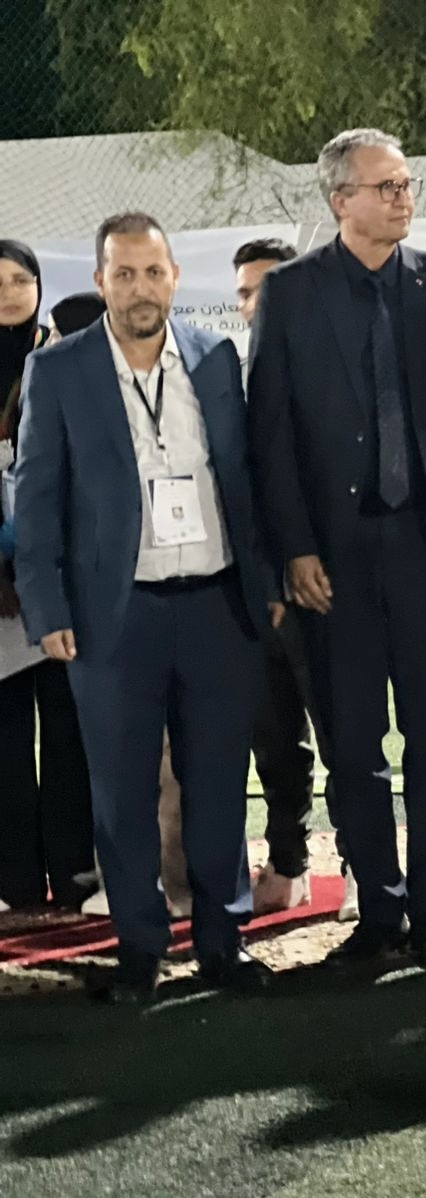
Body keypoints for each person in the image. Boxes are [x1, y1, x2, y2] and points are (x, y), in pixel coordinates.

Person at [247, 129, 426, 968]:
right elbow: (270, 434)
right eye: (385, 186)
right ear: (340, 201)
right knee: (353, 748)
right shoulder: (290, 293)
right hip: (334, 563)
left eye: (406, 183)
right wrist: (294, 549)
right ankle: (379, 915)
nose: (402, 198)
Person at [13, 212, 276, 1004]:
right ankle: (140, 948)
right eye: (123, 274)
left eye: (152, 272)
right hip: (113, 616)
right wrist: (46, 605)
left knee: (218, 783)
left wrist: (264, 586)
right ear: (100, 282)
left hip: (217, 606)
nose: (139, 288)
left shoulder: (214, 356)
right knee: (123, 791)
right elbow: (36, 498)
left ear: (174, 279)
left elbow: (247, 480)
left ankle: (224, 941)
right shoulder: (58, 371)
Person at [232, 236, 351, 918]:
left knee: (345, 738)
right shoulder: (224, 375)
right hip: (255, 596)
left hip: (328, 589)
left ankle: (363, 867)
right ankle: (288, 864)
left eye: (270, 287)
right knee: (273, 741)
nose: (259, 302)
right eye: (248, 292)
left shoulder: (337, 369)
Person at [0, 241, 96, 913]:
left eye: (19, 279)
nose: (8, 292)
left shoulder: (63, 358)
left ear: (39, 286)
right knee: (5, 738)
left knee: (69, 731)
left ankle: (74, 869)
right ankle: (14, 879)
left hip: (63, 579)